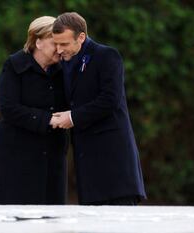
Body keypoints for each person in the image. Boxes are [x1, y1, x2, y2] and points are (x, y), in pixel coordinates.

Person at [50, 12, 146, 205]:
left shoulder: (107, 56)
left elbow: (110, 100)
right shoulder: (63, 64)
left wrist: (73, 117)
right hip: (86, 162)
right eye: (56, 44)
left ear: (82, 37)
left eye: (64, 44)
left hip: (114, 160)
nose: (59, 50)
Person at [0, 16, 68, 204]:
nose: (60, 48)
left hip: (52, 153)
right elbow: (8, 108)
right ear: (38, 42)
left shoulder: (65, 69)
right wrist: (48, 119)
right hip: (15, 153)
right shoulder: (14, 65)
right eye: (54, 42)